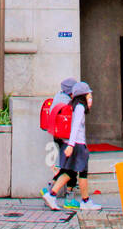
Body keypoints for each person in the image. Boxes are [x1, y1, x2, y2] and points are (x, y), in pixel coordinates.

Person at [41, 81, 101, 212]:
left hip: (75, 144)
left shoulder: (74, 105)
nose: (90, 96)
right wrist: (71, 145)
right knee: (78, 173)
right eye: (89, 94)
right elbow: (75, 128)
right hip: (77, 144)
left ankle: (54, 195)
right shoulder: (79, 107)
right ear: (83, 95)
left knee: (71, 172)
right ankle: (80, 200)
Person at [47, 76, 79, 211]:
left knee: (66, 166)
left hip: (57, 136)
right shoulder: (70, 103)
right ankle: (67, 197)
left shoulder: (57, 97)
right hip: (68, 139)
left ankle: (50, 190)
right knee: (71, 168)